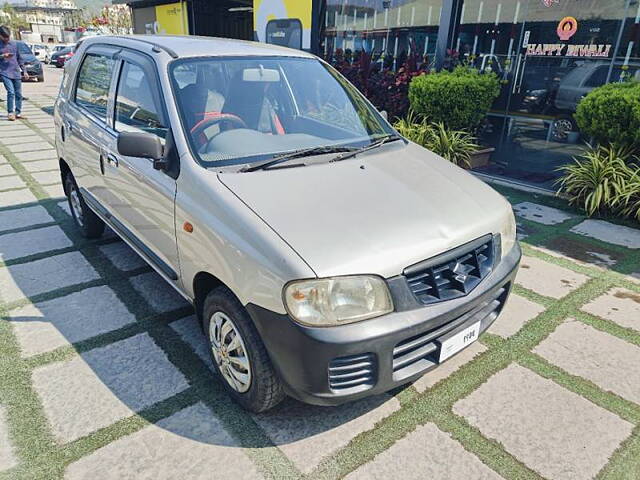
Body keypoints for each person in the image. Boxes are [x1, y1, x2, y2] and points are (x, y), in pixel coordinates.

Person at [0, 25, 29, 121]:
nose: (7, 39)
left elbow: (20, 58)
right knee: (11, 92)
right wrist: (2, 56)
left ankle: (18, 112)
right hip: (4, 72)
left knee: (18, 93)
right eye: (5, 37)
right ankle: (10, 113)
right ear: (0, 36)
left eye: (8, 37)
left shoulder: (14, 44)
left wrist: (24, 71)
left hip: (15, 72)